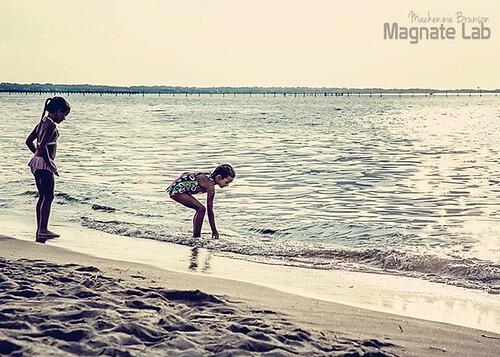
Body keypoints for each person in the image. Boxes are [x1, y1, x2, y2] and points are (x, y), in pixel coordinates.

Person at [25, 96, 71, 242]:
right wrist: (49, 163)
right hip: (43, 164)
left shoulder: (41, 123)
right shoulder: (50, 125)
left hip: (37, 163)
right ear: (57, 111)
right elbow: (43, 145)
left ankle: (40, 229)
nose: (64, 118)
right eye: (64, 115)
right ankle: (43, 229)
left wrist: (37, 157)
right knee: (49, 196)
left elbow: (29, 141)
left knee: (42, 196)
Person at [167, 164, 235, 239]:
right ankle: (196, 236)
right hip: (177, 190)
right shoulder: (210, 186)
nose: (227, 185)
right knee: (201, 209)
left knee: (200, 209)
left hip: (178, 188)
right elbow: (210, 210)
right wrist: (214, 230)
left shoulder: (208, 177)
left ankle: (196, 236)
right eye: (226, 182)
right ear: (219, 177)